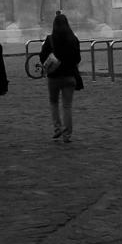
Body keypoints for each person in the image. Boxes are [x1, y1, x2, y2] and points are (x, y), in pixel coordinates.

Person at [40, 11, 82, 144]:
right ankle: (67, 135)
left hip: (54, 77)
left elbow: (42, 57)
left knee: (53, 103)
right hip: (69, 76)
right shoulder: (73, 39)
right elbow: (77, 58)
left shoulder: (50, 39)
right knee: (67, 106)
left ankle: (57, 128)